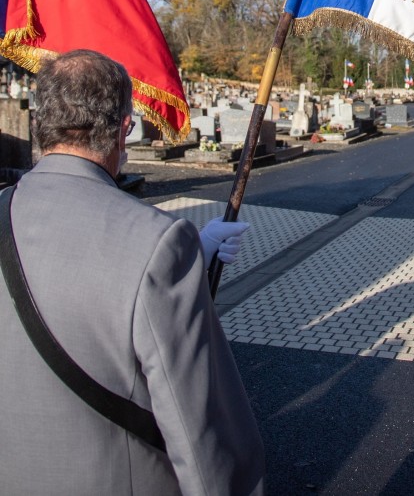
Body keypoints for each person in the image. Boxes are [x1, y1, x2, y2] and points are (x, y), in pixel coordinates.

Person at [0, 49, 264, 496]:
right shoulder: (157, 243)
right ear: (125, 130)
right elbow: (200, 433)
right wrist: (178, 260)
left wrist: (191, 258)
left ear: (39, 123)